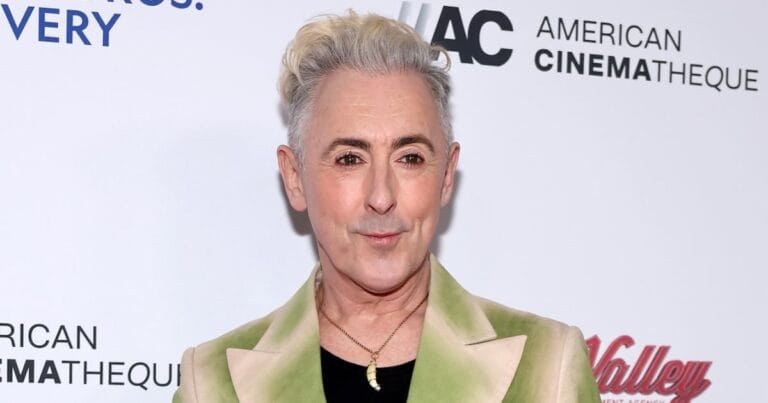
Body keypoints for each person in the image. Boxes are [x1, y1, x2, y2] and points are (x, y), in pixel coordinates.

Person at [173, 11, 600, 403]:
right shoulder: (211, 383)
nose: (381, 197)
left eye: (410, 157)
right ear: (295, 178)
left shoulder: (547, 365)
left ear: (446, 175)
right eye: (349, 159)